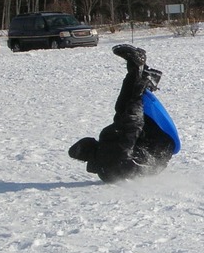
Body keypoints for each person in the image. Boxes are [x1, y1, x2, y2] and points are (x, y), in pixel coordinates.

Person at [68, 44, 175, 183]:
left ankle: (140, 70)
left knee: (123, 110)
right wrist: (137, 94)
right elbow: (129, 129)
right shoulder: (108, 149)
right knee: (126, 105)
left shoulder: (103, 170)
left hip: (156, 160)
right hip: (158, 147)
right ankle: (137, 69)